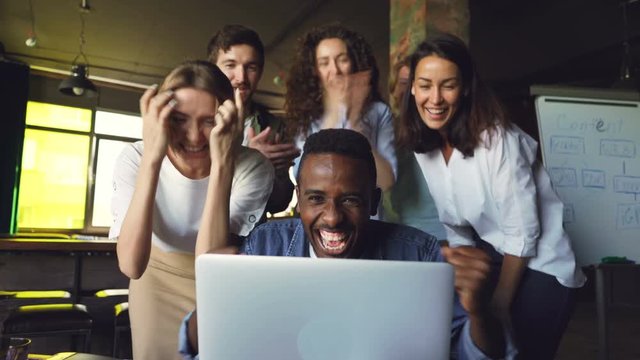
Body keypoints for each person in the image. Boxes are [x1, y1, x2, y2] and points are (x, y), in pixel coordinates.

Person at [179, 129, 515, 360]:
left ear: (373, 201)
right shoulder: (266, 246)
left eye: (351, 200)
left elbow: (476, 355)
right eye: (316, 199)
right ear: (299, 200)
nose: (332, 217)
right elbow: (200, 350)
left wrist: (479, 311)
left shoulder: (420, 256)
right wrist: (214, 299)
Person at [398, 33, 586, 360]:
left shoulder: (498, 141)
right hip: (497, 256)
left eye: (448, 85)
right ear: (412, 87)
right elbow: (456, 227)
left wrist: (498, 303)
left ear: (467, 87)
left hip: (543, 264)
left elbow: (524, 233)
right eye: (425, 84)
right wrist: (462, 288)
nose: (435, 98)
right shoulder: (423, 147)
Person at [109, 60, 274, 360]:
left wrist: (223, 162)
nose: (194, 136)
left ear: (230, 120)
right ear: (162, 118)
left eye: (209, 120)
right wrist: (153, 157)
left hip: (218, 285)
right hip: (154, 279)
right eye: (180, 119)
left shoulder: (253, 168)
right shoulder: (135, 158)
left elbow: (207, 264)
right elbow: (132, 265)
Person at [284, 23, 397, 194]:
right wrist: (333, 114)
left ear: (354, 63)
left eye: (342, 59)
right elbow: (304, 180)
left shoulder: (379, 112)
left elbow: (387, 182)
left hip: (367, 219)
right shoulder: (304, 116)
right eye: (324, 63)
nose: (335, 70)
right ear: (315, 70)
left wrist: (356, 122)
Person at [207, 24, 299, 214]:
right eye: (230, 65)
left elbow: (278, 204)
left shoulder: (273, 126)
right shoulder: (194, 118)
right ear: (212, 69)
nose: (241, 77)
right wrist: (251, 159)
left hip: (248, 237)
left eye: (251, 67)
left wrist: (274, 175)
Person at [383, 56, 446, 240]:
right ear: (393, 91)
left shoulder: (441, 127)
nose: (411, 90)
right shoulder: (388, 129)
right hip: (406, 232)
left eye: (418, 83)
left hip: (446, 234)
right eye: (404, 83)